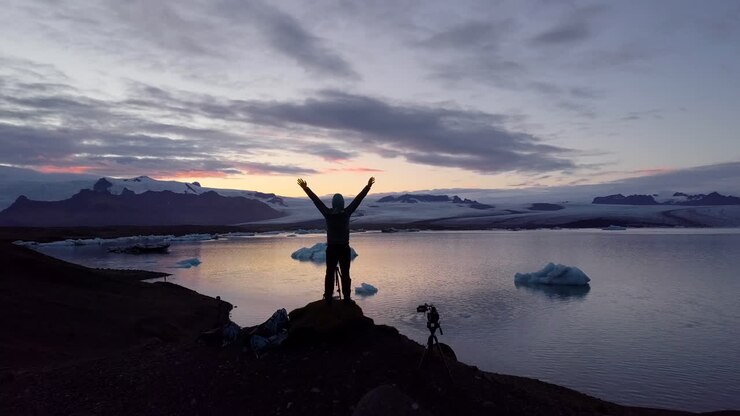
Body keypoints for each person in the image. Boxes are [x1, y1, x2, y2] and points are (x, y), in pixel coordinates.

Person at [297, 177, 375, 304]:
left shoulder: (327, 213)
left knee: (329, 274)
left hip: (332, 249)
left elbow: (316, 201)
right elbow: (358, 200)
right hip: (344, 248)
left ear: (333, 203)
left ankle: (328, 298)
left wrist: (305, 188)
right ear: (342, 203)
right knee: (345, 274)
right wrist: (367, 187)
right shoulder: (346, 213)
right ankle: (347, 299)